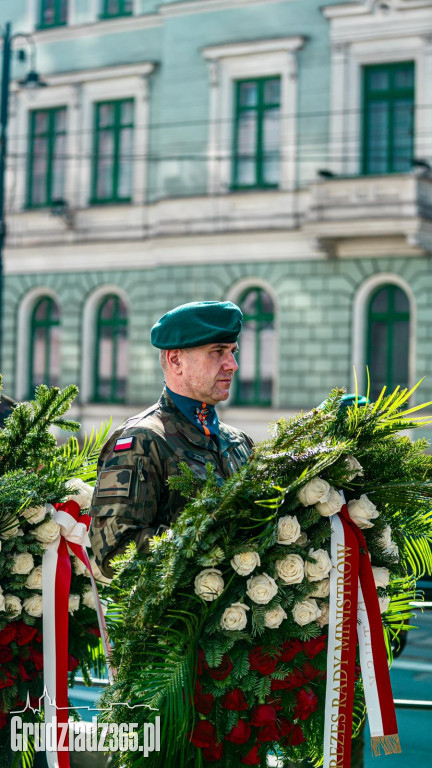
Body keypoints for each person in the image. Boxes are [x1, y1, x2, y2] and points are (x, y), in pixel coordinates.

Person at [89, 301, 254, 578]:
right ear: (176, 360)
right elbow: (114, 553)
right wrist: (208, 541)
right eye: (217, 352)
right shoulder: (142, 441)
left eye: (232, 352)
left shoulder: (239, 442)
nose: (233, 365)